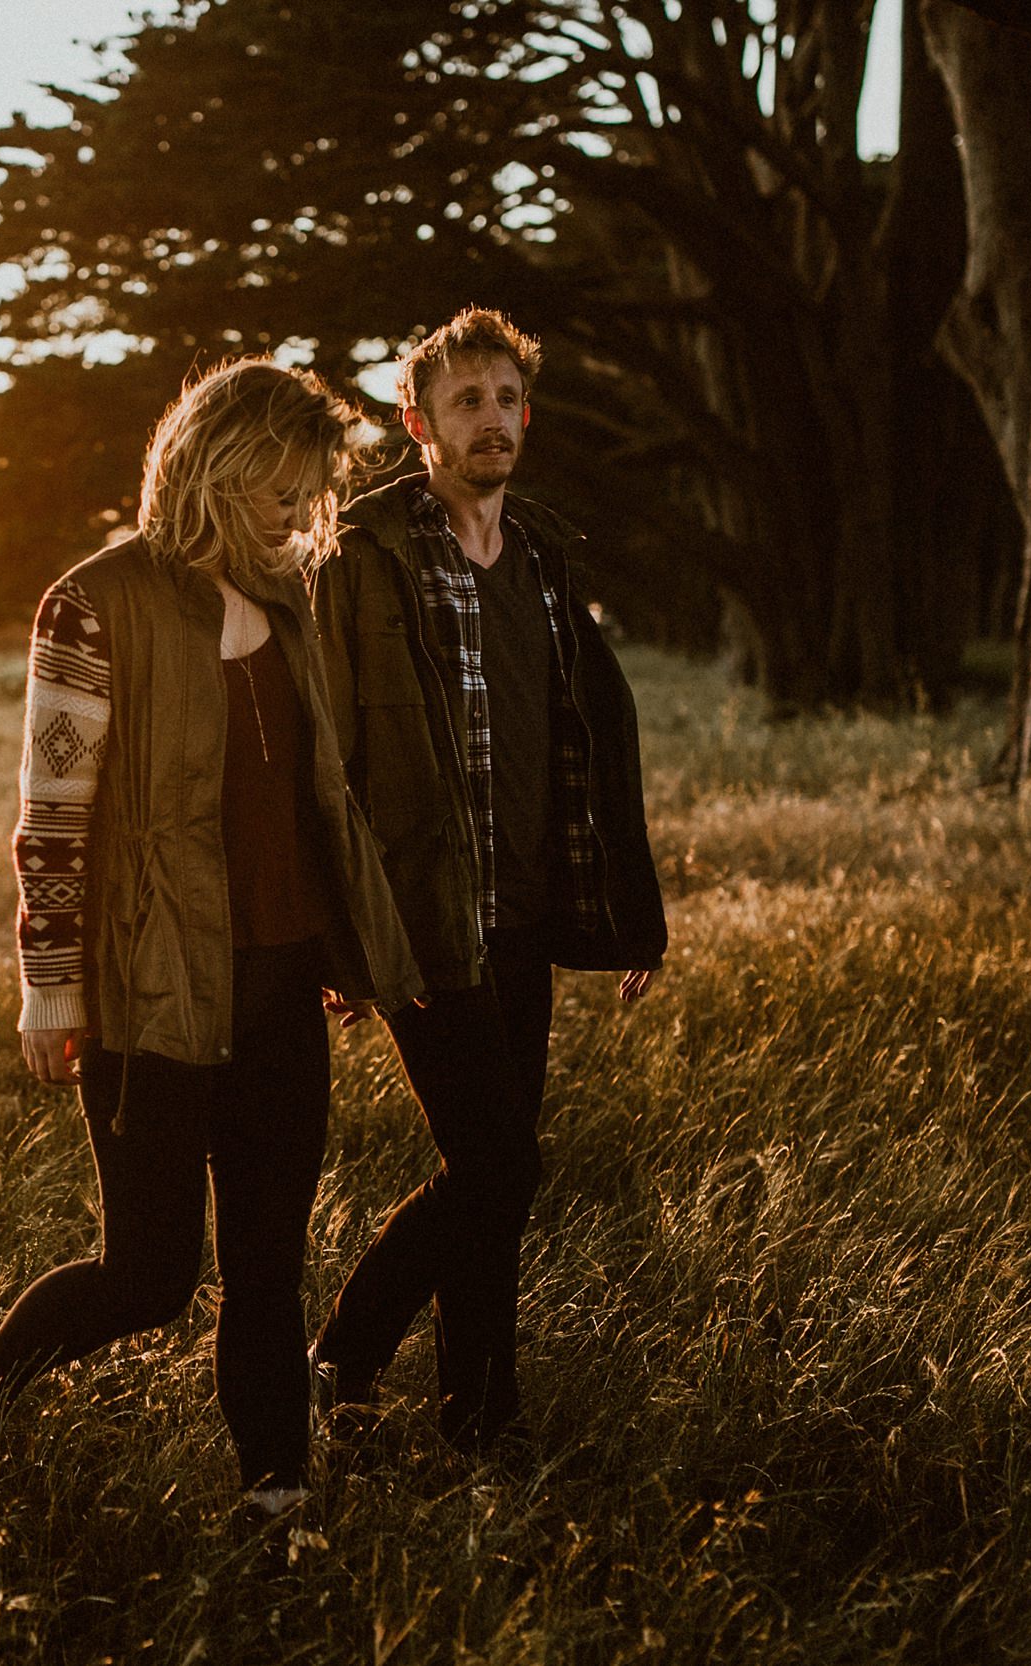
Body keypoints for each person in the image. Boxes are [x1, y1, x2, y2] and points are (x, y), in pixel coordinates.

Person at [0, 358, 423, 1523]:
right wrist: (48, 985)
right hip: (151, 987)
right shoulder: (94, 600)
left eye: (308, 490)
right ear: (214, 463)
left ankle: (276, 1490)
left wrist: (340, 947)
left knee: (266, 1262)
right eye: (279, 485)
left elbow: (310, 793)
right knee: (148, 1277)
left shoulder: (290, 596)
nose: (297, 512)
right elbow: (51, 813)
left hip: (282, 980)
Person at [307, 307, 667, 1454]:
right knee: (502, 1159)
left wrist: (629, 909)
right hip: (424, 922)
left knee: (491, 1174)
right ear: (416, 422)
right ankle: (344, 1353)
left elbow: (593, 743)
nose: (494, 419)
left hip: (524, 911)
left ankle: (478, 1412)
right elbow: (331, 759)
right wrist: (341, 933)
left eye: (508, 398)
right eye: (468, 401)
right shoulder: (362, 560)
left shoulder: (543, 563)